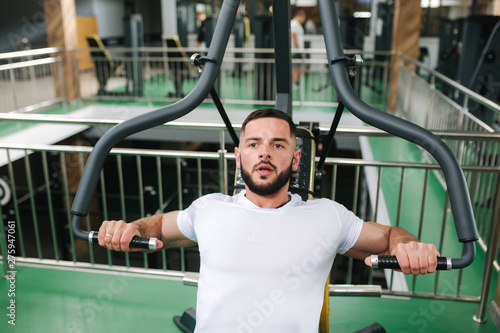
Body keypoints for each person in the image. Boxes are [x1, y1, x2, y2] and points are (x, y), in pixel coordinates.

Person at [98, 108, 439, 332]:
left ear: (296, 158)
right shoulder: (208, 209)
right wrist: (131, 228)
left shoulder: (327, 216)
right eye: (253, 144)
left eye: (278, 145)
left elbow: (391, 234)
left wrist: (408, 247)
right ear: (238, 156)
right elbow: (156, 227)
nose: (264, 152)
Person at [290, 10, 307, 90]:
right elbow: (294, 36)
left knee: (298, 67)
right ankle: (293, 82)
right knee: (295, 67)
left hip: (298, 50)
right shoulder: (294, 24)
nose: (303, 20)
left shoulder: (297, 24)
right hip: (296, 50)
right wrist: (298, 48)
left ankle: (295, 82)